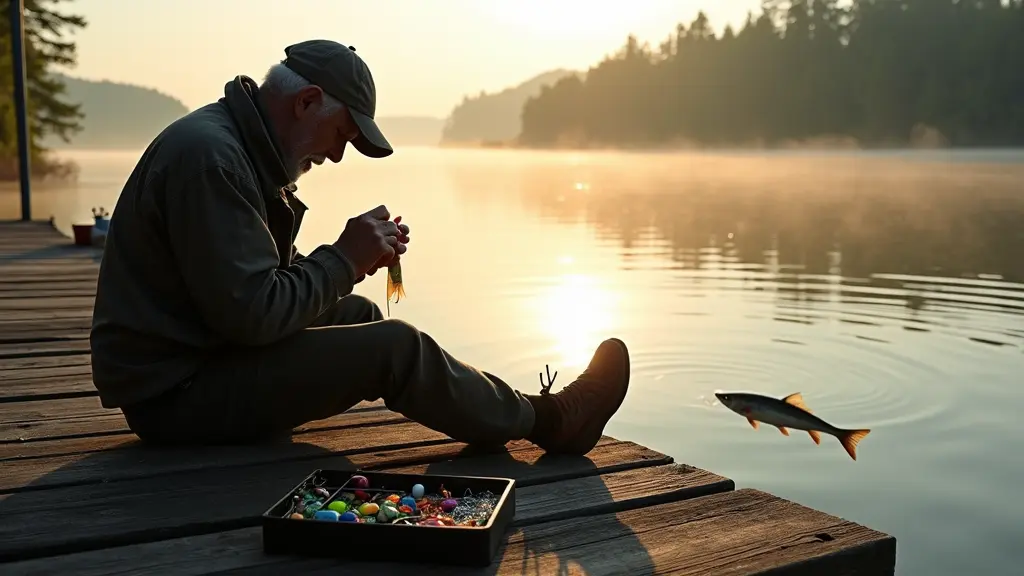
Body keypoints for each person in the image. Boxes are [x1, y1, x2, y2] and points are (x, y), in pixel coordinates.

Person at [89, 39, 630, 455]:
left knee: (359, 316)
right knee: (393, 346)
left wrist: (351, 263)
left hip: (198, 359)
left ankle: (508, 410)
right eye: (343, 135)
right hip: (174, 396)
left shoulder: (232, 147)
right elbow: (250, 315)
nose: (338, 156)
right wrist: (344, 257)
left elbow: (235, 288)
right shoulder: (213, 160)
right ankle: (552, 421)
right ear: (307, 102)